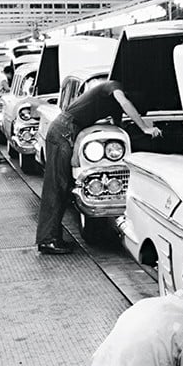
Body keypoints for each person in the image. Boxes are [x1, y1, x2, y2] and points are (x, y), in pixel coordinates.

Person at [35, 79, 162, 255]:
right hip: (63, 131)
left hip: (67, 130)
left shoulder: (111, 101)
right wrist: (145, 128)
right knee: (57, 186)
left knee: (61, 187)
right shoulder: (114, 87)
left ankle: (52, 238)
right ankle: (47, 240)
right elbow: (125, 103)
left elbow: (118, 126)